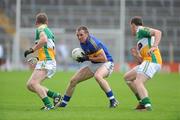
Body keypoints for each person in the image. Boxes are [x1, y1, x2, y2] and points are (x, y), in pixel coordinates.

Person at [56, 26, 118, 108]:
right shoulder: (82, 43)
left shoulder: (93, 43)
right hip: (95, 64)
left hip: (107, 63)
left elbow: (104, 58)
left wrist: (87, 58)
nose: (79, 37)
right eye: (77, 35)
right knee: (73, 80)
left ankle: (113, 101)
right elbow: (91, 55)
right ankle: (63, 104)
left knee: (98, 76)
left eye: (81, 35)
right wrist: (83, 58)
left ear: (87, 34)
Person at [124, 16, 162, 111]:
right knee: (128, 78)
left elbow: (158, 32)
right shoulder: (140, 38)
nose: (131, 30)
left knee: (138, 81)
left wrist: (154, 46)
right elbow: (142, 60)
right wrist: (136, 55)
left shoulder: (140, 30)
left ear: (133, 25)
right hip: (147, 61)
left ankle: (147, 106)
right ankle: (142, 102)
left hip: (152, 61)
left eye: (130, 27)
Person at [24, 12, 61, 110]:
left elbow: (44, 40)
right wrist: (37, 58)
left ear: (36, 22)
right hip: (48, 61)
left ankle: (48, 105)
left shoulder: (40, 28)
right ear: (47, 22)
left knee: (33, 84)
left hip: (47, 61)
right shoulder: (49, 31)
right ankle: (55, 95)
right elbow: (49, 49)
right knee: (30, 85)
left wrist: (32, 49)